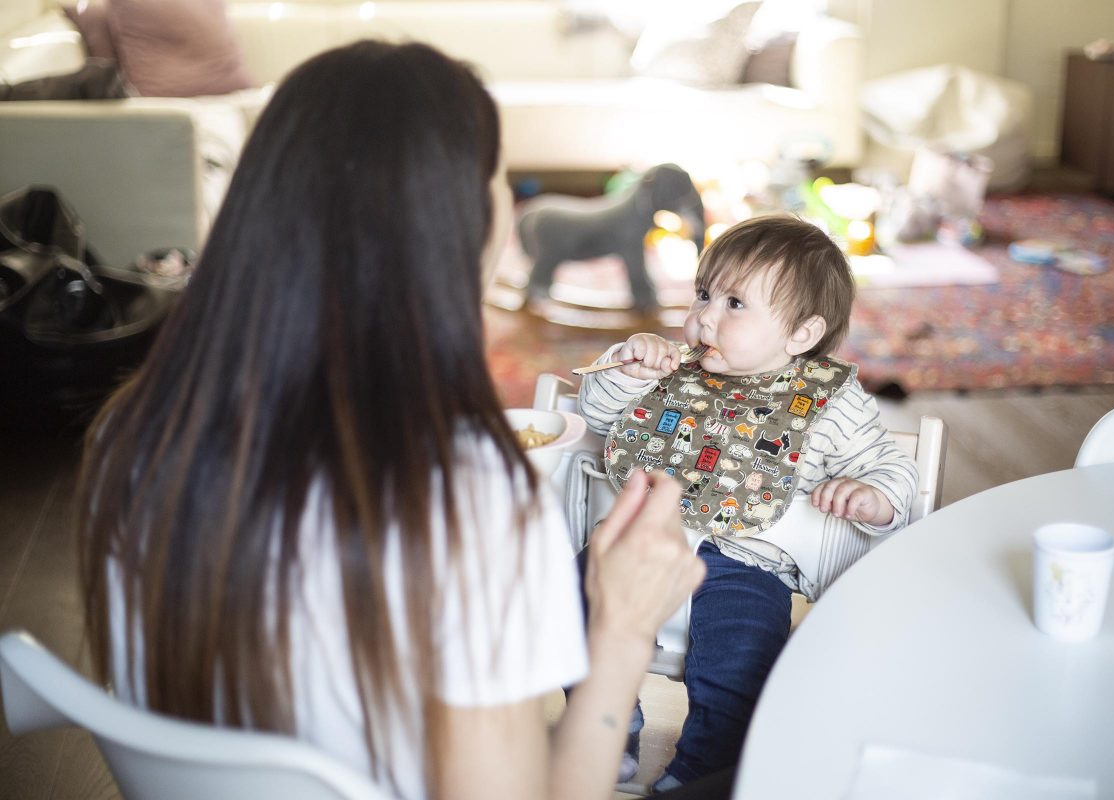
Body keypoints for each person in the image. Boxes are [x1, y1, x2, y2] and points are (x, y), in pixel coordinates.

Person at [75, 40, 706, 800]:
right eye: (497, 175)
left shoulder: (133, 433)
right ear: (462, 220)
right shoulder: (469, 498)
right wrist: (624, 631)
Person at [576, 214, 918, 789]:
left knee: (743, 665)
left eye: (736, 304)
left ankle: (699, 773)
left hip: (745, 564)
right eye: (704, 295)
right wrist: (630, 371)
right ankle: (606, 732)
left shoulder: (833, 404)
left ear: (801, 335)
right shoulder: (674, 371)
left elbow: (890, 467)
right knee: (571, 599)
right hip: (640, 539)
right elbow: (601, 414)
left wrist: (875, 496)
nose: (706, 316)